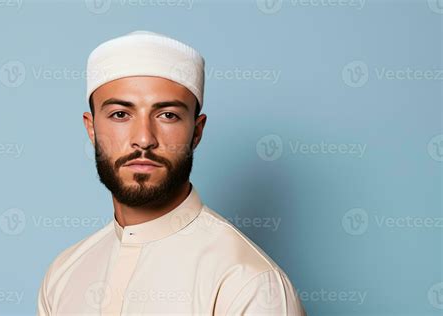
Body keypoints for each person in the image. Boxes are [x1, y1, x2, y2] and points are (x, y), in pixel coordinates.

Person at [36, 30, 306, 315]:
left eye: (167, 115)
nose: (143, 138)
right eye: (120, 114)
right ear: (91, 128)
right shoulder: (62, 275)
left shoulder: (249, 284)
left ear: (196, 131)